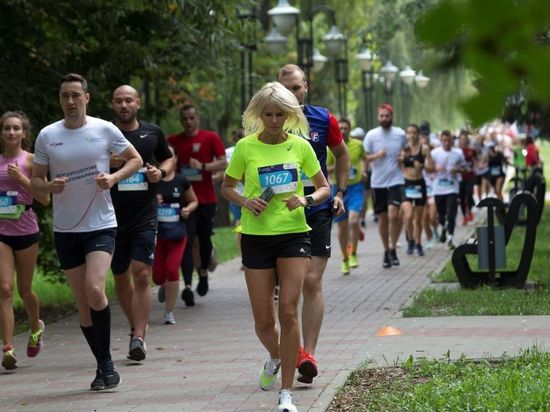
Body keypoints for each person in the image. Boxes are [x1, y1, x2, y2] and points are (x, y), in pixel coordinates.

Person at [221, 82, 330, 412]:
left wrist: (307, 198)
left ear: (289, 114)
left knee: (289, 309)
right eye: (267, 114)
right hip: (256, 237)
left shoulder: (300, 147)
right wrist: (245, 200)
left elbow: (324, 188)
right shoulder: (245, 147)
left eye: (279, 114)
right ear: (258, 115)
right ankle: (275, 355)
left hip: (294, 234)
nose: (273, 120)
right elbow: (227, 187)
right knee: (264, 321)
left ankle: (286, 394)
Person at [31, 73, 142, 390]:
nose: (70, 101)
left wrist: (114, 177)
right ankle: (101, 364)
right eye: (65, 95)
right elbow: (36, 180)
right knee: (83, 305)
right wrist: (48, 186)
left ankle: (106, 363)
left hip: (101, 224)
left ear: (86, 98)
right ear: (60, 98)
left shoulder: (104, 129)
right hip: (66, 229)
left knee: (96, 290)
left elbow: (134, 159)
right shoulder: (47, 136)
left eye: (75, 95)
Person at [277, 64, 349, 385]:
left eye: (296, 87)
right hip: (281, 209)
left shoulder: (323, 118)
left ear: (306, 86)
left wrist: (341, 192)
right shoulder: (269, 121)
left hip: (317, 204)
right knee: (287, 285)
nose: (291, 94)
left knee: (312, 281)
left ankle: (308, 353)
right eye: (285, 88)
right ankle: (283, 349)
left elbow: (342, 155)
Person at [109, 85, 174, 361]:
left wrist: (161, 171)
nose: (124, 105)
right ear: (113, 105)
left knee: (142, 273)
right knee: (121, 276)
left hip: (144, 215)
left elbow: (169, 158)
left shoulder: (152, 132)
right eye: (119, 101)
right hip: (110, 215)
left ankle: (139, 336)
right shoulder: (103, 133)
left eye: (128, 100)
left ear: (138, 103)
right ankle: (135, 325)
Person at [0, 111, 50, 370]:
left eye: (16, 128)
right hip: (1, 233)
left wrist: (22, 180)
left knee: (24, 291)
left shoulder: (30, 161)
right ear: (1, 133)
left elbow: (45, 199)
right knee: (5, 289)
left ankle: (35, 327)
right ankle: (7, 348)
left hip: (26, 231)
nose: (11, 132)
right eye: (7, 128)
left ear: (23, 133)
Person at [167, 104, 227, 306]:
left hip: (206, 199)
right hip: (183, 200)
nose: (188, 122)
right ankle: (187, 286)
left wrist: (202, 167)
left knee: (204, 240)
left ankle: (203, 274)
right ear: (180, 120)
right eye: (184, 119)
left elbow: (222, 163)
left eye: (192, 118)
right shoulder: (173, 141)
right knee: (186, 240)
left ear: (197, 118)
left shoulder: (210, 137)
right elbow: (167, 163)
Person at [152, 145, 198, 324]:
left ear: (175, 159)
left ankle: (168, 313)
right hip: (157, 233)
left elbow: (194, 201)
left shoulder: (181, 180)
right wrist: (153, 201)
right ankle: (163, 285)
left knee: (172, 270)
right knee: (157, 275)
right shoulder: (152, 180)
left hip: (177, 233)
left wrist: (187, 209)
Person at [363, 104, 407, 268]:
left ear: (391, 116)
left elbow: (406, 151)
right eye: (381, 116)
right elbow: (365, 158)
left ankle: (394, 247)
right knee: (383, 219)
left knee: (394, 215)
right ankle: (386, 250)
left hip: (396, 180)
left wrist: (403, 157)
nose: (384, 119)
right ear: (378, 117)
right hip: (378, 183)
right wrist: (377, 155)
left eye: (386, 116)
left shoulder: (400, 134)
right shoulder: (371, 135)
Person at [327, 118, 365, 274]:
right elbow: (326, 168)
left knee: (354, 219)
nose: (342, 131)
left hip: (355, 187)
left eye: (345, 128)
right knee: (341, 228)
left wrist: (363, 171)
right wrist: (341, 164)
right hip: (338, 190)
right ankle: (345, 259)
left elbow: (364, 159)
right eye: (340, 128)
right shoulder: (332, 149)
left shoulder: (358, 145)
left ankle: (353, 252)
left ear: (350, 129)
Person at [400, 123, 433, 257]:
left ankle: (418, 244)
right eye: (409, 133)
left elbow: (431, 168)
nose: (412, 135)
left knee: (418, 219)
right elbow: (398, 165)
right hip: (406, 184)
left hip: (419, 184)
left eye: (414, 132)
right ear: (406, 135)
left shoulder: (424, 148)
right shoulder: (404, 149)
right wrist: (400, 160)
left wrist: (422, 165)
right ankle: (411, 241)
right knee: (408, 216)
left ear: (418, 134)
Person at [431, 130, 465, 250]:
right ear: (441, 140)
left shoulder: (458, 153)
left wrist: (458, 169)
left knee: (451, 213)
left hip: (452, 188)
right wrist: (435, 168)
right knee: (441, 215)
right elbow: (428, 168)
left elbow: (464, 167)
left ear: (452, 140)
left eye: (449, 140)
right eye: (444, 140)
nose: (447, 143)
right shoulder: (434, 153)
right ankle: (444, 226)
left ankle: (450, 238)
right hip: (438, 188)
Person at [458, 130, 476, 225]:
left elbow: (474, 161)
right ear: (459, 140)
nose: (463, 141)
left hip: (470, 176)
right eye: (462, 139)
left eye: (465, 139)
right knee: (461, 197)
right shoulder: (456, 151)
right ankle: (464, 216)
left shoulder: (471, 150)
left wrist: (475, 168)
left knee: (469, 194)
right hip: (460, 178)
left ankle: (470, 211)